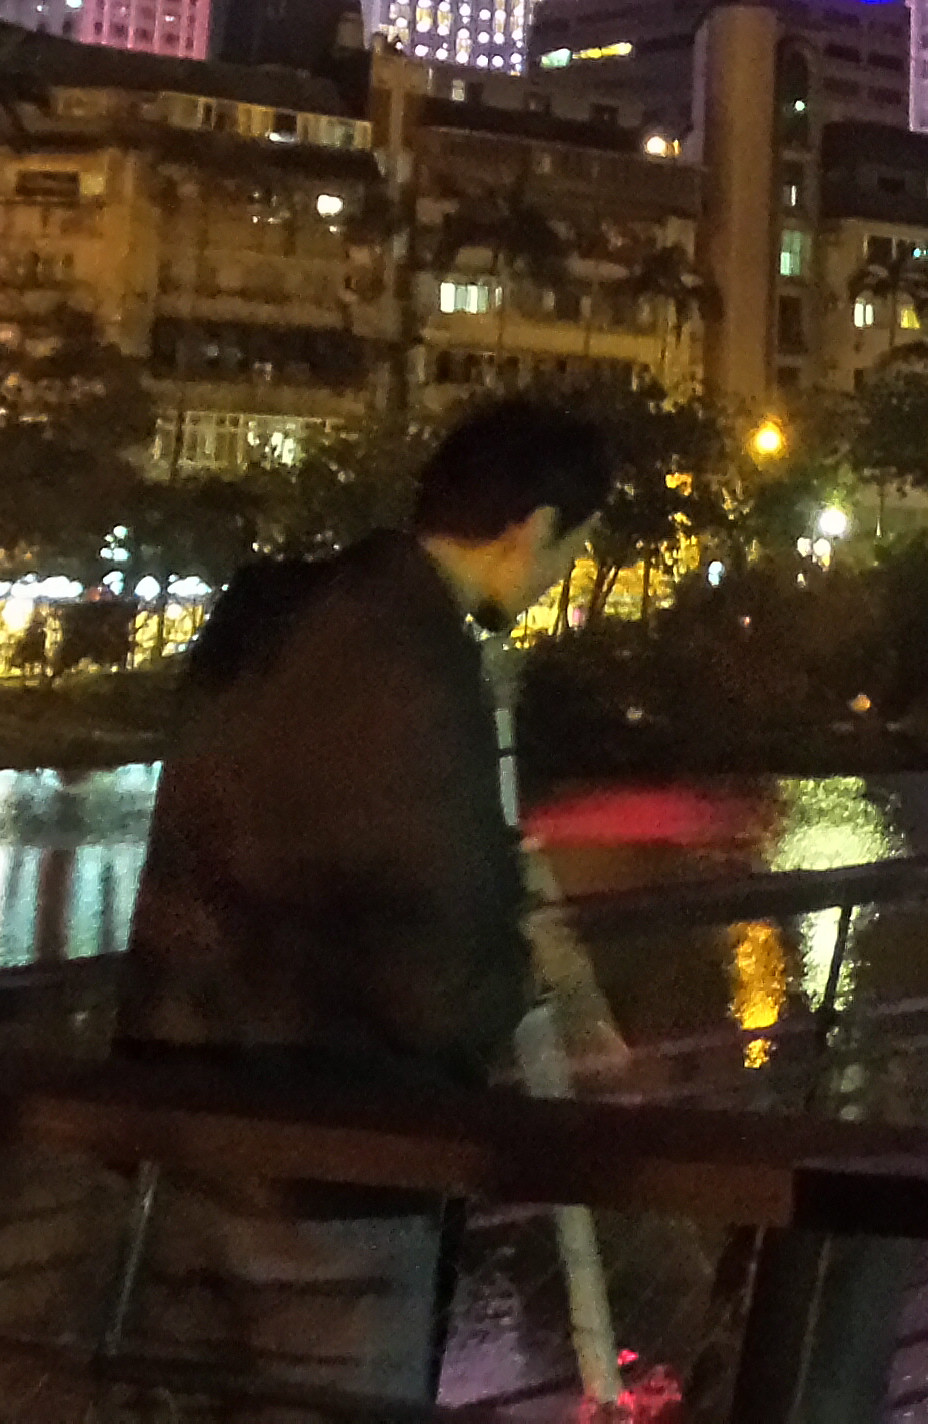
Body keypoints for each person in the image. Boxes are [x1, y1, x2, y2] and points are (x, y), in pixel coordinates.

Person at [114, 394, 615, 1410]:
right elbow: (440, 960)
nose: (557, 579)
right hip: (334, 1163)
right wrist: (523, 983)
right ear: (530, 532)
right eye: (571, 552)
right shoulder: (423, 667)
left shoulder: (267, 620)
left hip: (174, 1132)